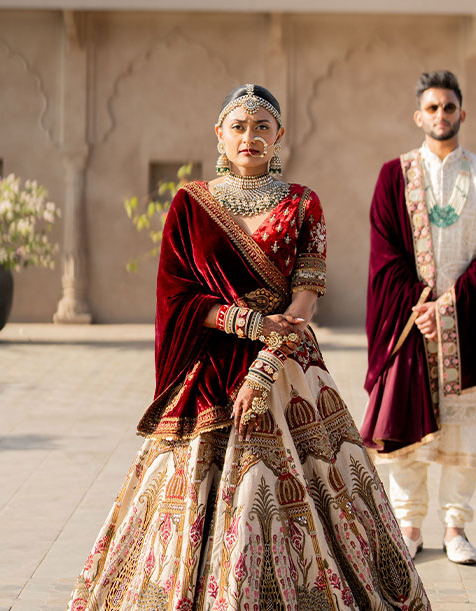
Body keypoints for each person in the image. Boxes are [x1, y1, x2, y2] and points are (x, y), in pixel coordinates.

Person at [68, 84, 430, 610]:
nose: (250, 136)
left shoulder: (303, 202)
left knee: (299, 486)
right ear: (219, 134)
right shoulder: (192, 204)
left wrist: (266, 360)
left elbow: (306, 295)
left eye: (262, 127)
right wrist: (243, 321)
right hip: (209, 364)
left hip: (285, 366)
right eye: (238, 126)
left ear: (279, 135)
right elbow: (176, 294)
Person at [360, 71, 476, 566]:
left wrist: (448, 307)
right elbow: (384, 254)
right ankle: (408, 526)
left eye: (449, 108)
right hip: (409, 324)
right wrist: (419, 307)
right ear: (418, 116)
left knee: (464, 430)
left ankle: (455, 527)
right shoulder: (394, 175)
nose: (441, 116)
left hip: (466, 321)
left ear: (462, 114)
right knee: (408, 427)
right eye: (432, 108)